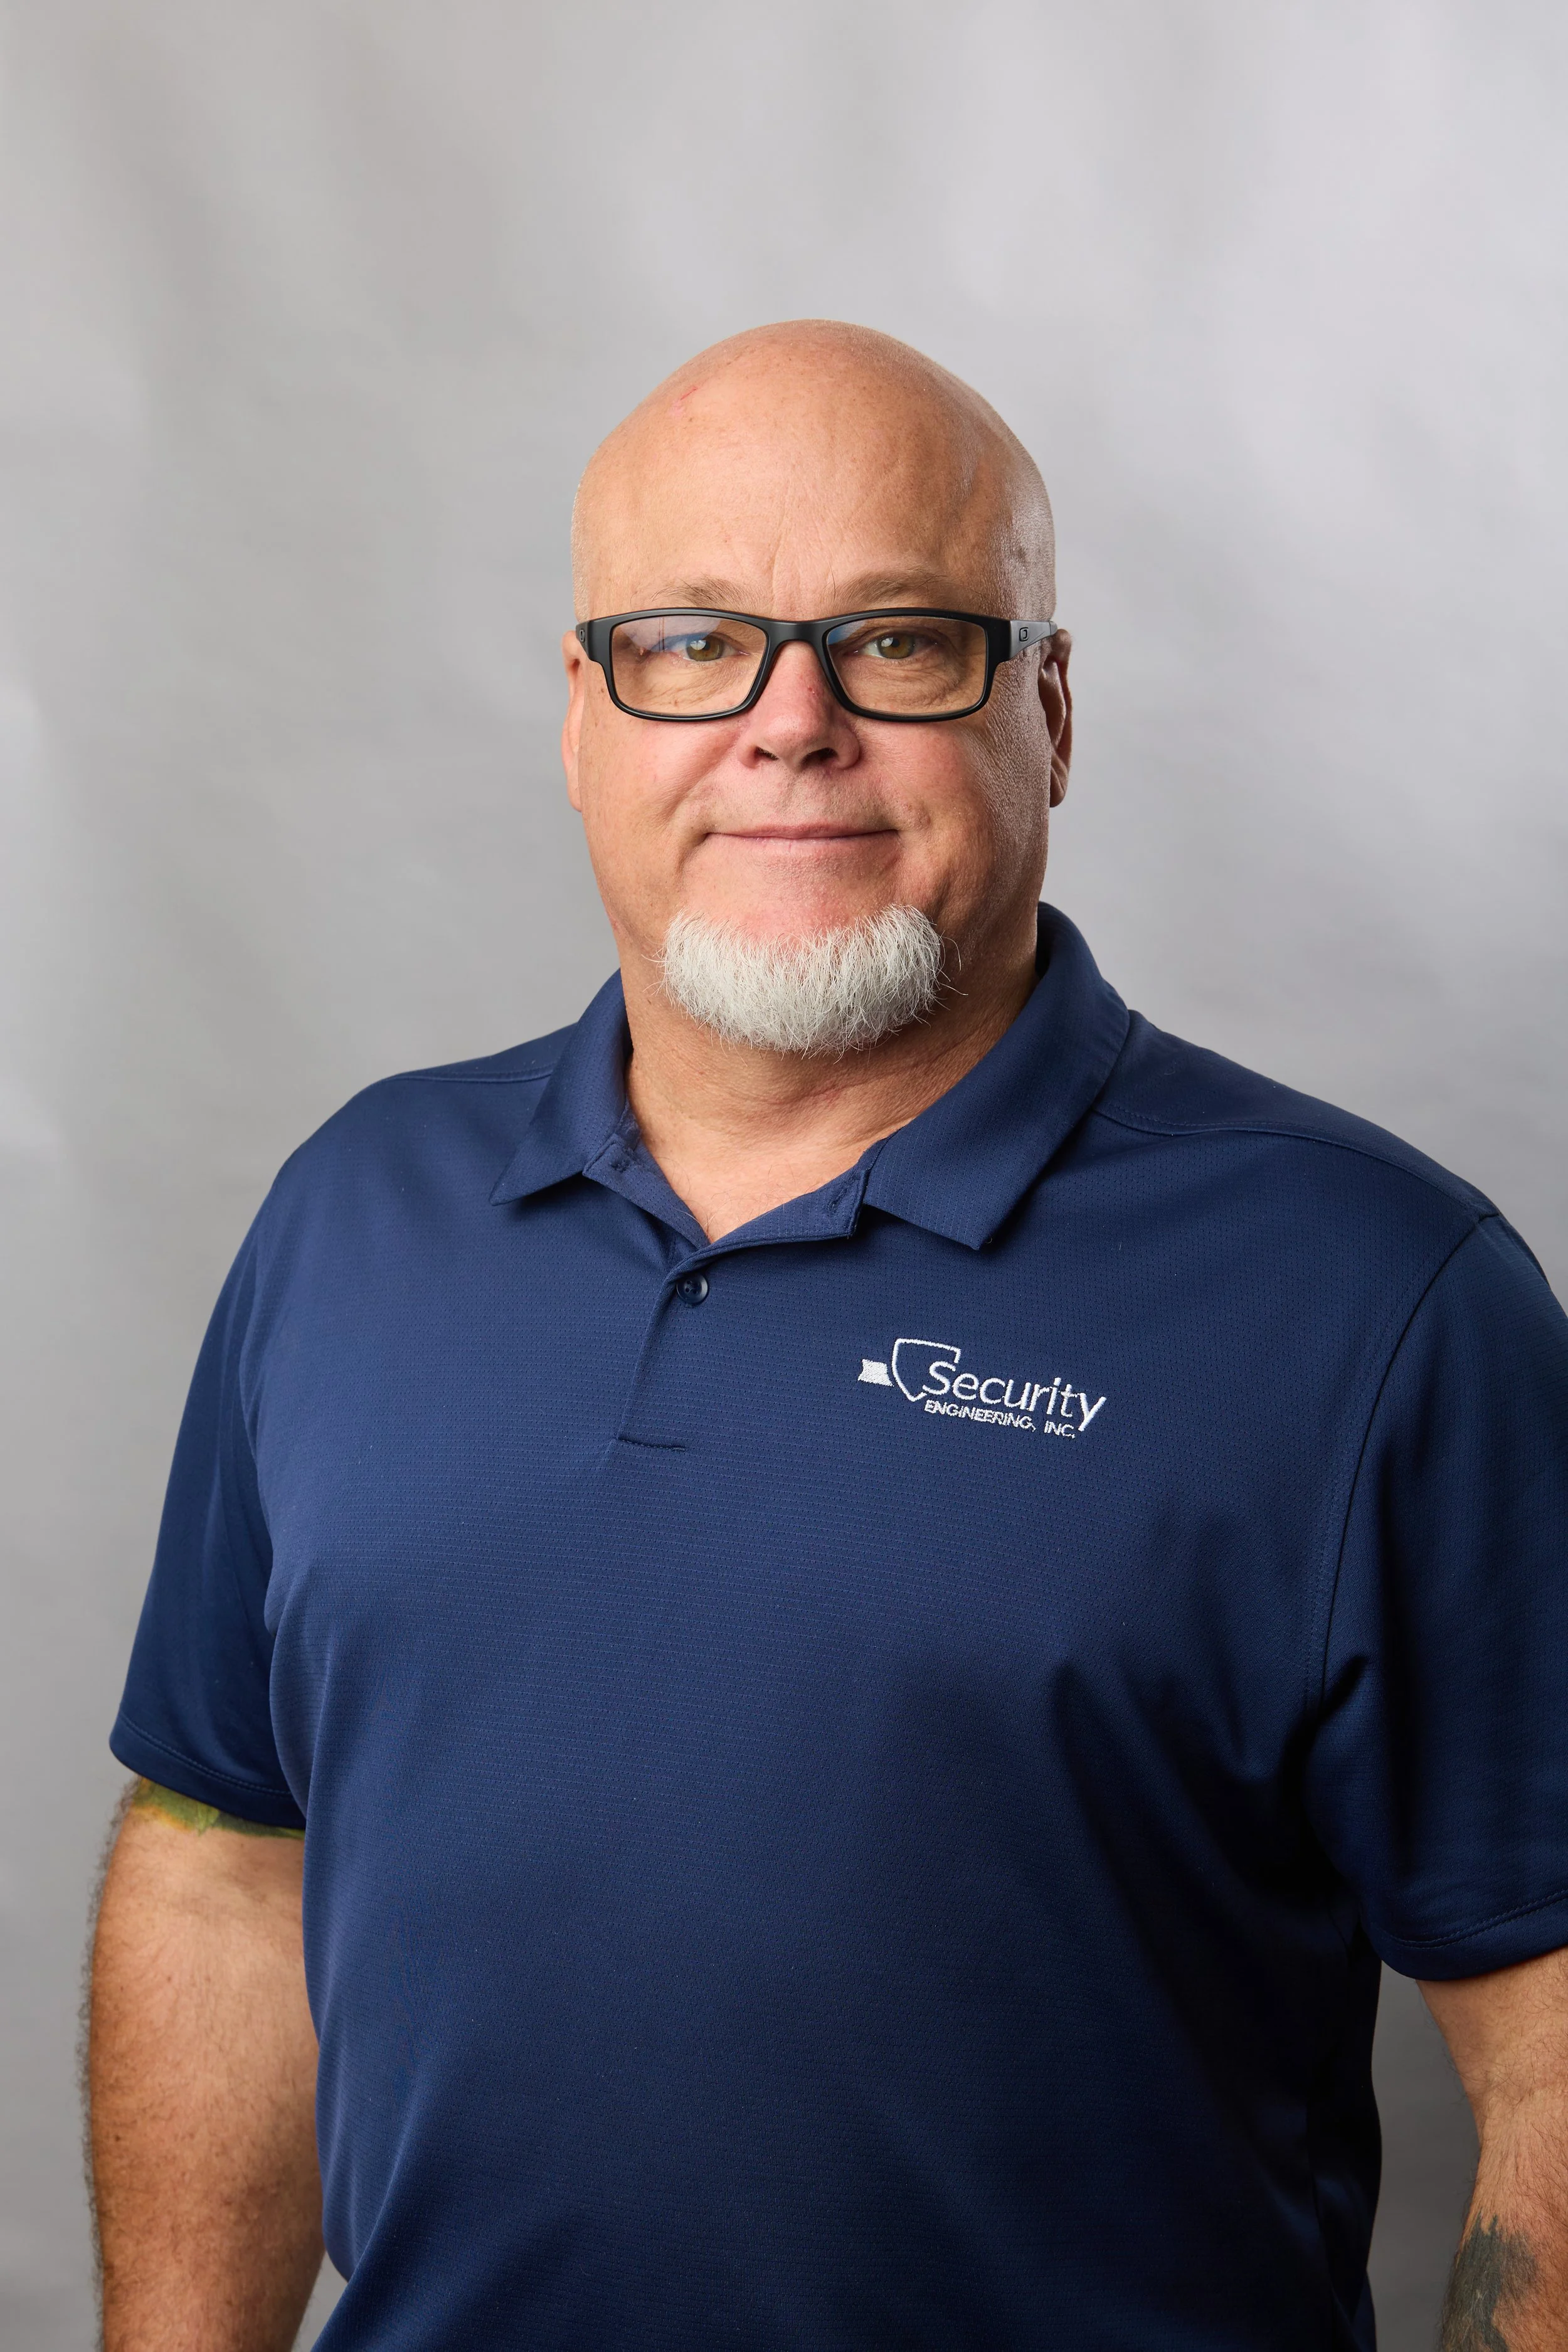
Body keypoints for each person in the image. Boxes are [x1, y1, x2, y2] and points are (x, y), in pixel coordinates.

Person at [90, 320, 1568, 2352]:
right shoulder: (355, 1213)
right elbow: (218, 1856)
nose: (789, 725)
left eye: (896, 638)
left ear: (1047, 707)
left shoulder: (1375, 1295)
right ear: (583, 716)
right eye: (693, 640)